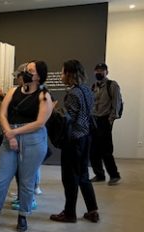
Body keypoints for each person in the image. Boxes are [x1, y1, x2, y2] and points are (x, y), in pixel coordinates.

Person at [0, 61, 52, 232]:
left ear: (38, 76)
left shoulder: (44, 96)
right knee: (1, 180)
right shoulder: (12, 91)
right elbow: (2, 114)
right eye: (26, 69)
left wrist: (14, 134)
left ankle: (23, 216)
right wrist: (10, 133)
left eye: (30, 70)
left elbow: (39, 123)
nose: (25, 72)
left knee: (26, 181)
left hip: (33, 140)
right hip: (10, 136)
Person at [50, 59, 99, 223]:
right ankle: (93, 211)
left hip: (74, 141)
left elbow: (67, 118)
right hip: (86, 137)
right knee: (83, 176)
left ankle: (69, 213)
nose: (61, 75)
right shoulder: (86, 90)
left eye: (63, 72)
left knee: (70, 178)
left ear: (69, 74)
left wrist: (53, 109)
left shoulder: (72, 93)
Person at [89, 63, 121, 185]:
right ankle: (99, 175)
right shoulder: (94, 86)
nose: (99, 72)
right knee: (93, 150)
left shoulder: (112, 85)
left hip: (105, 120)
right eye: (97, 70)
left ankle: (114, 175)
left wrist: (111, 119)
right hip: (94, 121)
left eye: (102, 70)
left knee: (106, 150)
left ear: (106, 72)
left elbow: (116, 102)